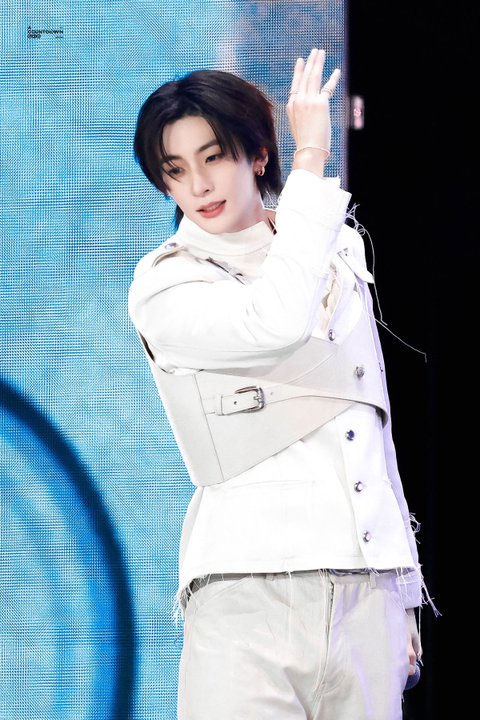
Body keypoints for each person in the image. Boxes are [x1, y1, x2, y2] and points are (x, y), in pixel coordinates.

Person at [128, 48, 433, 720]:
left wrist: (405, 592)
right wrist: (311, 159)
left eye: (213, 157)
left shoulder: (337, 252)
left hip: (367, 593)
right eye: (175, 170)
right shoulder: (166, 282)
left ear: (256, 154)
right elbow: (276, 321)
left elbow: (369, 417)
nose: (198, 184)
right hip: (247, 585)